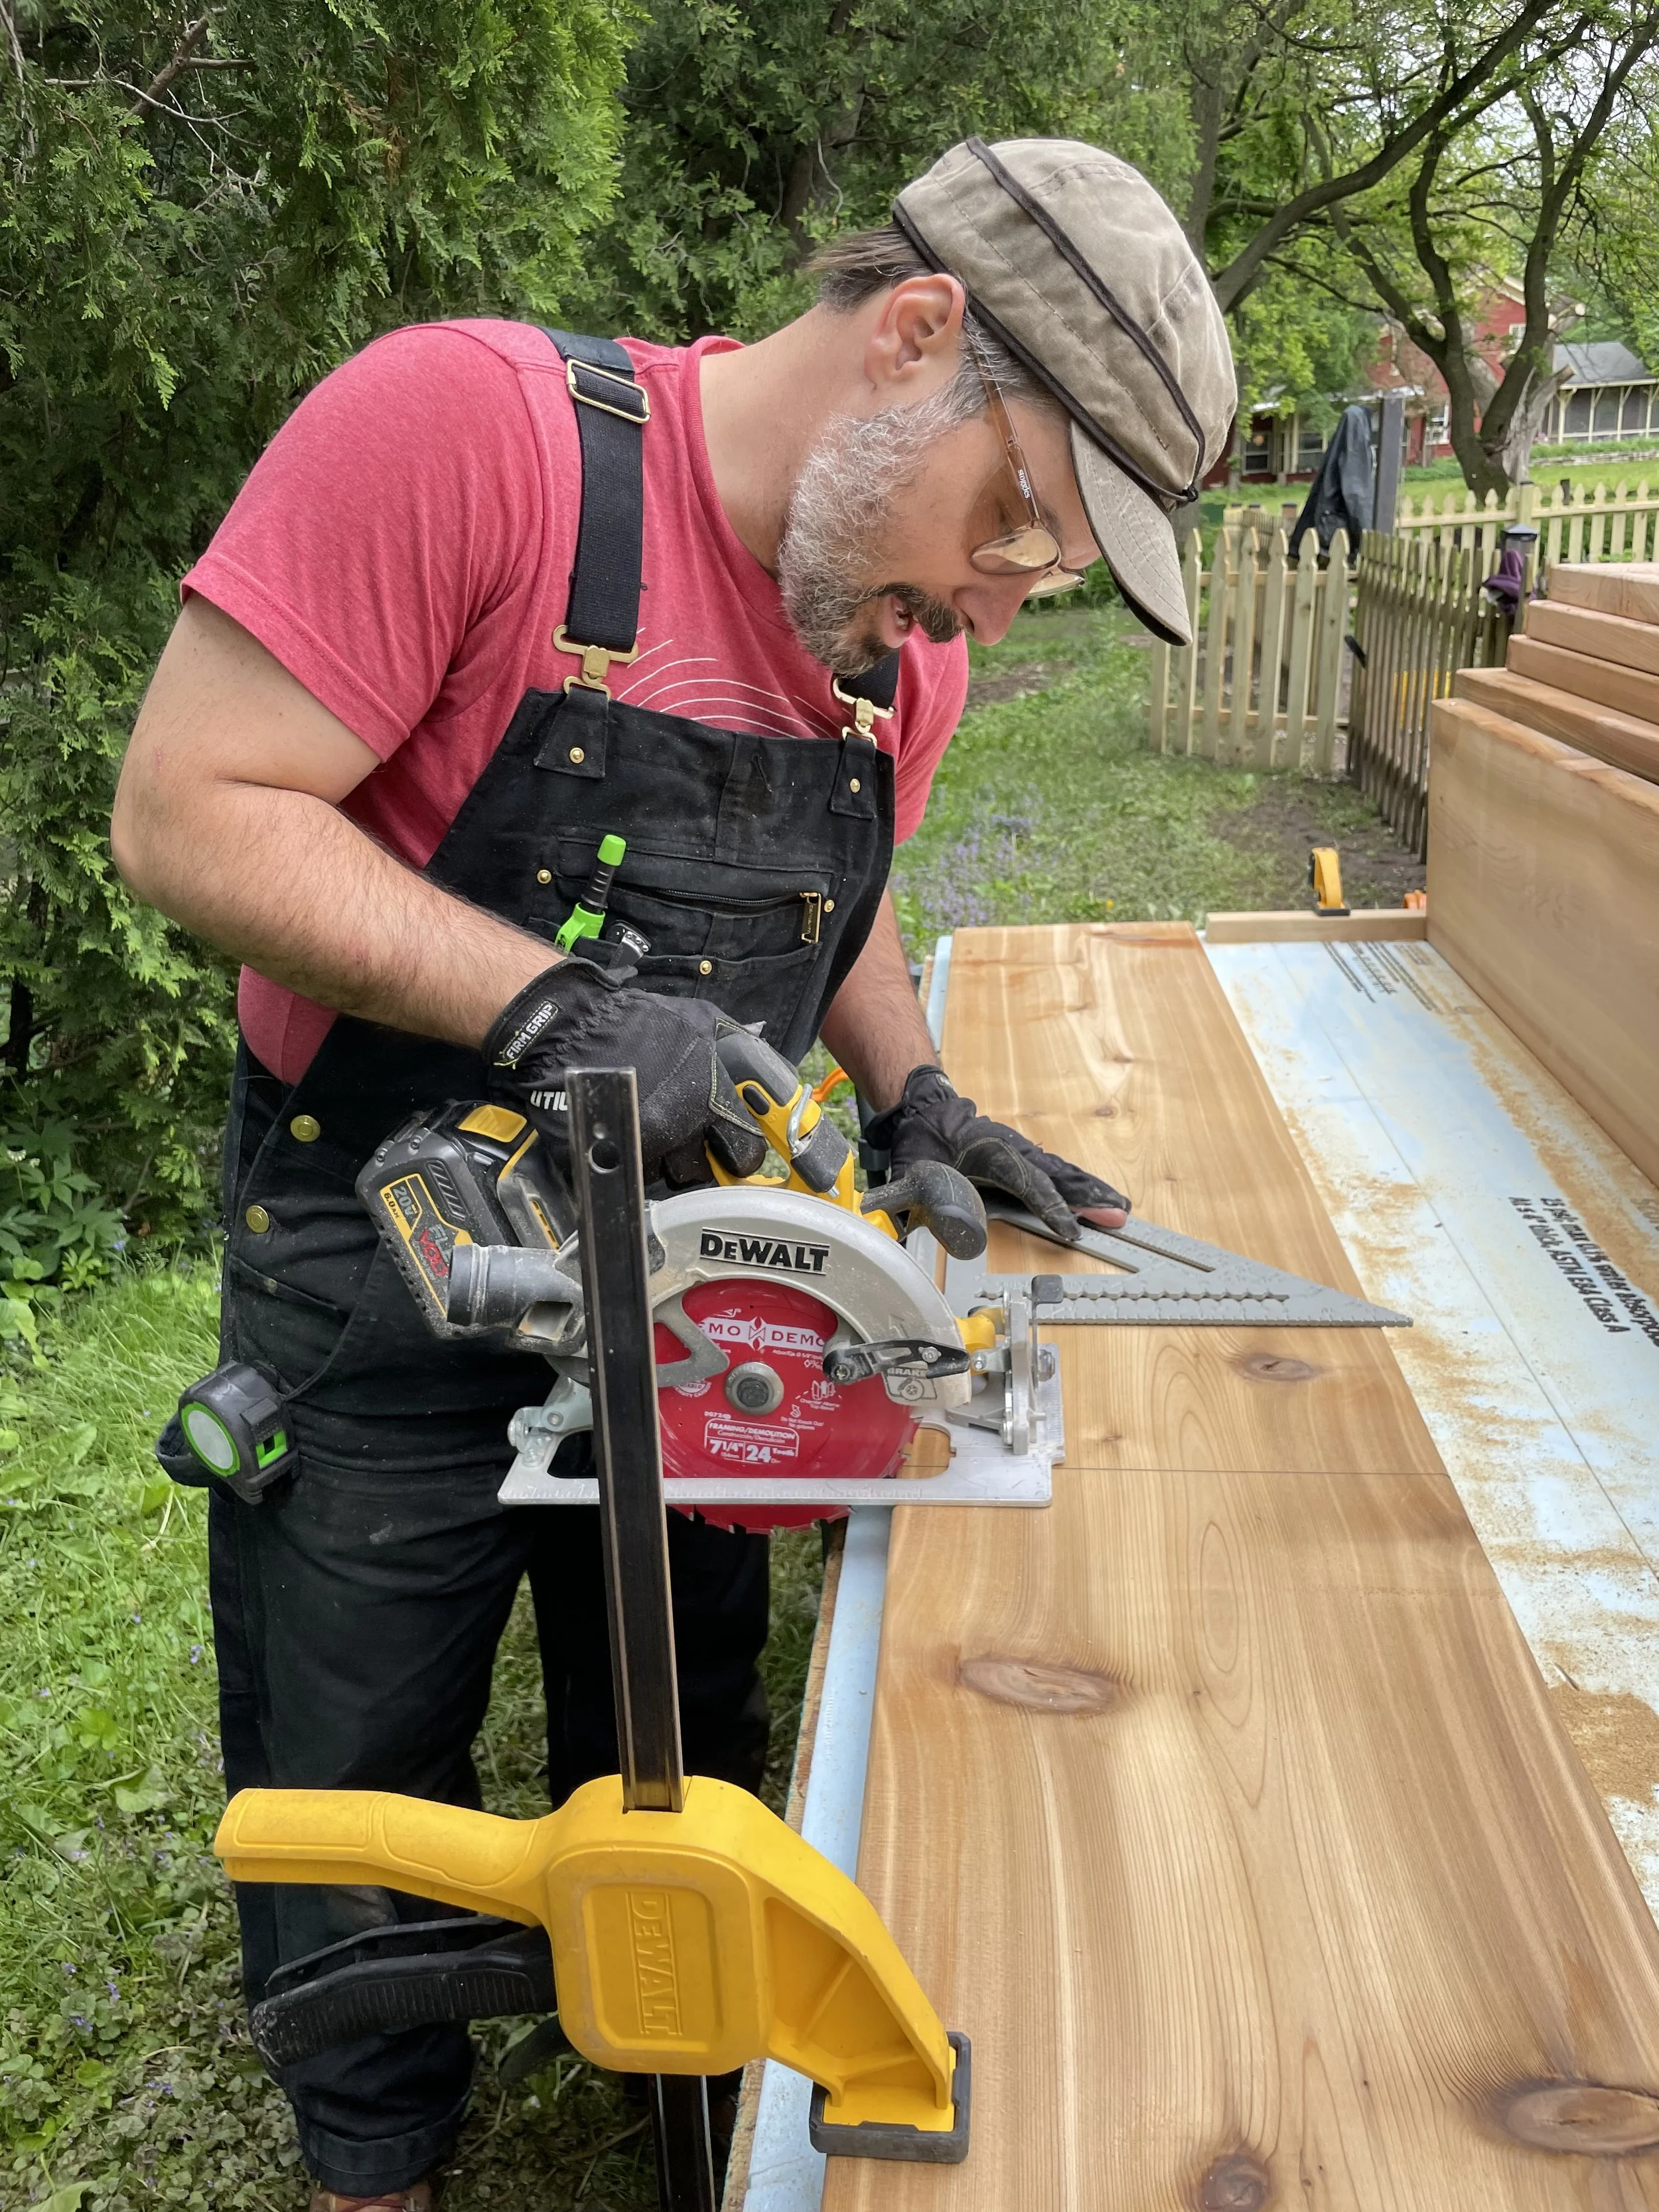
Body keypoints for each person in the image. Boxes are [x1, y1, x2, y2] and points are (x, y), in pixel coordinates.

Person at [110, 135, 1236, 2211]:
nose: (996, 596)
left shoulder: (897, 635)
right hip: (390, 1243)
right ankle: (380, 2159)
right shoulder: (471, 436)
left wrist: (913, 1095)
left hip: (698, 1277)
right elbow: (190, 811)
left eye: (1038, 572)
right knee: (360, 1752)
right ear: (916, 335)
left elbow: (850, 897)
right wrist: (536, 1002)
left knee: (684, 1705)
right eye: (1016, 522)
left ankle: (692, 2097)